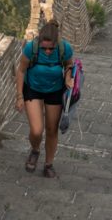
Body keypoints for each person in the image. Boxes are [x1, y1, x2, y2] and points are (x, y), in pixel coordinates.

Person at [15, 20, 73, 178]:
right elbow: (21, 71)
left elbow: (69, 64)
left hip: (55, 91)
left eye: (51, 48)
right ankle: (35, 150)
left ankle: (48, 164)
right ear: (39, 43)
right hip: (33, 89)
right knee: (36, 130)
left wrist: (68, 78)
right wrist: (19, 96)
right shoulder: (31, 48)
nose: (47, 51)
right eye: (44, 48)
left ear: (56, 43)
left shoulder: (64, 48)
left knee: (52, 130)